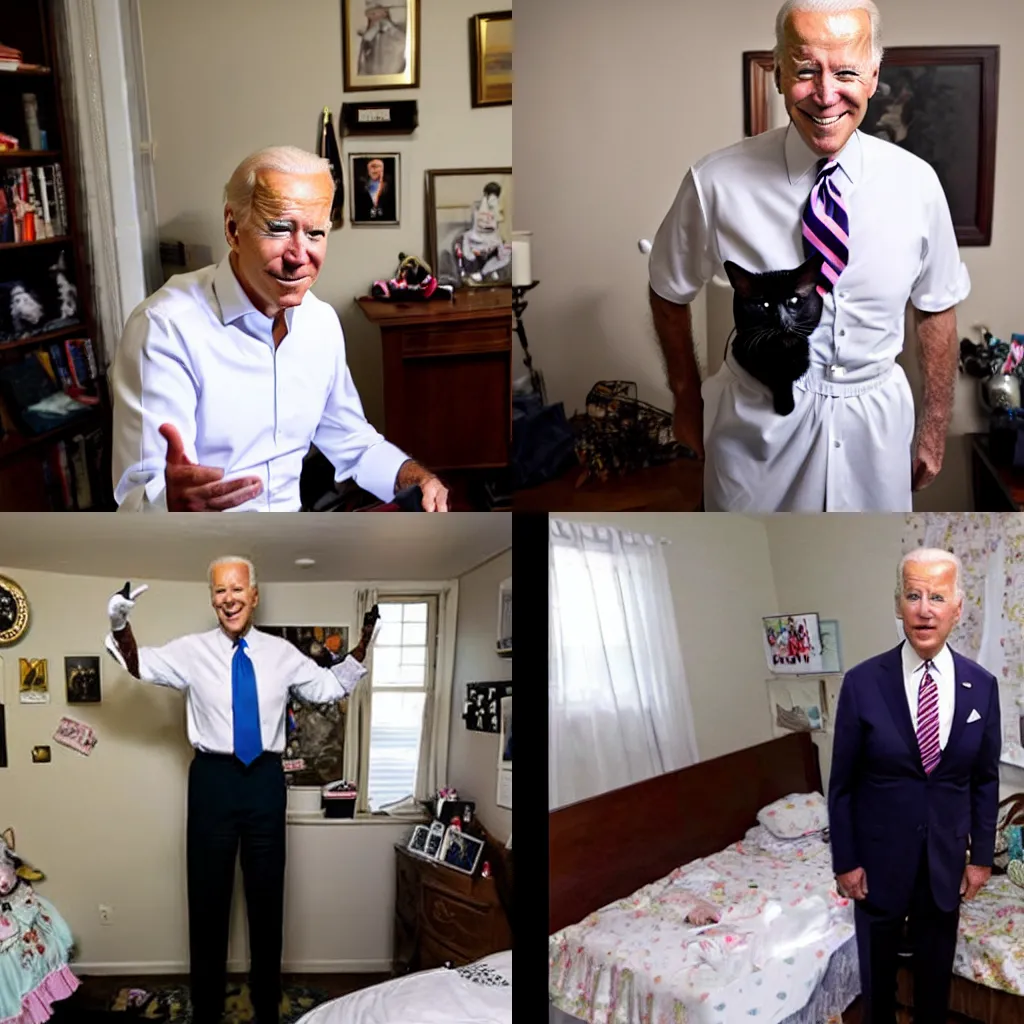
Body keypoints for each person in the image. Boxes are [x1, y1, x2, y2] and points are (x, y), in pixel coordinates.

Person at [648, 0, 968, 511]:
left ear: (873, 76)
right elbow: (668, 289)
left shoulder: (918, 185)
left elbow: (937, 305)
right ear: (777, 73)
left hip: (875, 430)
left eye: (845, 71)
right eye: (804, 70)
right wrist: (686, 400)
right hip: (756, 429)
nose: (825, 95)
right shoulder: (714, 183)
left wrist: (933, 425)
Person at [103, 558, 379, 1024]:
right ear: (211, 598)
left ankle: (266, 1007)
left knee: (267, 903)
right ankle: (207, 1012)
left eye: (236, 589)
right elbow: (138, 664)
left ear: (254, 595)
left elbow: (329, 686)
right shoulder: (191, 651)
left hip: (266, 784)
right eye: (218, 591)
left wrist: (363, 644)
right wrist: (120, 622)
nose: (227, 599)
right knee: (207, 904)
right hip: (212, 782)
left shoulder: (282, 654)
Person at [111, 145, 448, 512]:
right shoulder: (164, 329)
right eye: (279, 229)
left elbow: (352, 440)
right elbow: (137, 500)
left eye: (316, 233)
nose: (298, 255)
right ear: (232, 228)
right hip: (199, 553)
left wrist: (415, 477)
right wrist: (170, 507)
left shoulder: (320, 323)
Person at [827, 548, 1000, 1023]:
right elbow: (840, 784)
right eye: (913, 595)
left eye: (938, 597)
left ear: (957, 608)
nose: (925, 609)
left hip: (945, 862)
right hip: (878, 862)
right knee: (877, 979)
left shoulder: (981, 686)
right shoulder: (863, 683)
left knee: (934, 977)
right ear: (898, 604)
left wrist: (981, 857)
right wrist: (846, 861)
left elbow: (984, 779)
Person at [357, 1, 407, 77]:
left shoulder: (395, 32)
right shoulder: (372, 35)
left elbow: (402, 43)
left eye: (374, 14)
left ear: (384, 14)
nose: (371, 18)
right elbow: (365, 46)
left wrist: (389, 28)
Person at [353, 157, 396, 222]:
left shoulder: (389, 185)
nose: (374, 169)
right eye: (372, 167)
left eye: (377, 166)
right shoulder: (363, 185)